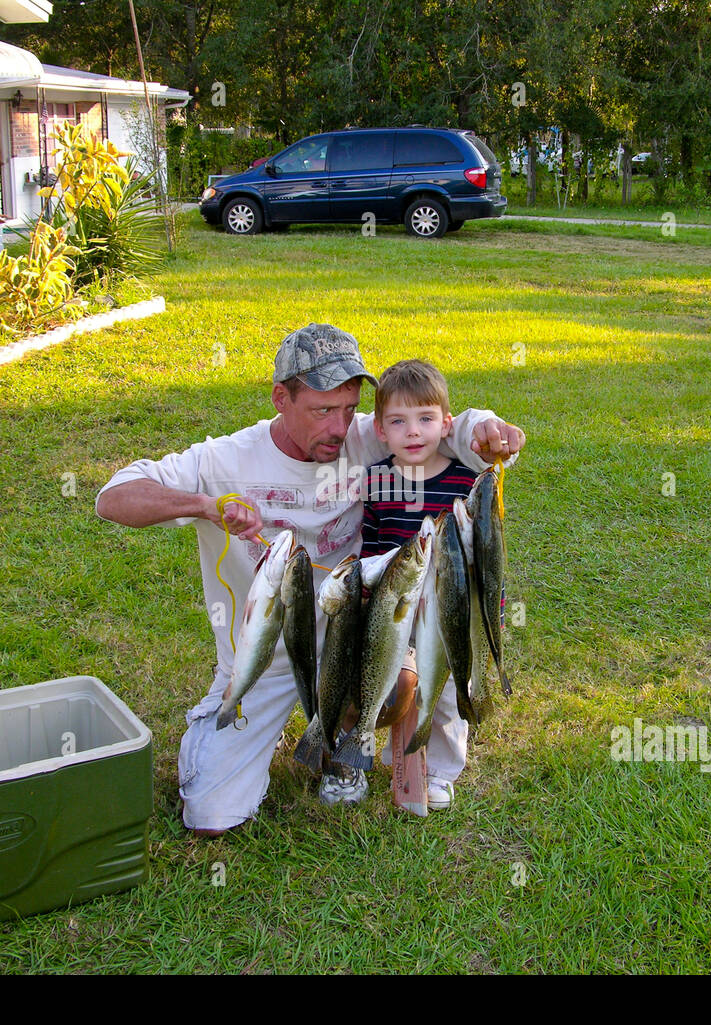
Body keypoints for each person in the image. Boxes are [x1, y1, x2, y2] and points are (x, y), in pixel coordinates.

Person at [94, 324, 526, 836]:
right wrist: (206, 506)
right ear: (281, 398)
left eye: (349, 408)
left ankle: (346, 745)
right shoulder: (226, 460)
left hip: (355, 635)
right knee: (211, 817)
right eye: (322, 410)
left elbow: (445, 430)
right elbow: (114, 497)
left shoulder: (366, 437)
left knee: (401, 679)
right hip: (268, 659)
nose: (340, 427)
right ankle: (231, 734)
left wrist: (488, 427)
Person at [344, 358, 494, 812]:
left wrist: (490, 608)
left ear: (446, 425)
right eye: (399, 421)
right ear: (380, 430)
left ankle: (440, 769)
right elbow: (370, 544)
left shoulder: (464, 482)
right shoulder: (375, 481)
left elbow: (481, 554)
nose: (413, 432)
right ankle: (380, 754)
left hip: (446, 608)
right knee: (387, 681)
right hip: (394, 608)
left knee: (444, 689)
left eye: (426, 419)